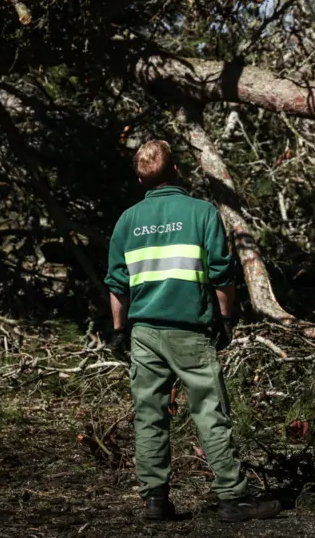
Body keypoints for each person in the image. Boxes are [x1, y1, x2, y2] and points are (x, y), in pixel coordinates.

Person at [105, 139, 281, 523]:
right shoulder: (202, 213)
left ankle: (155, 501)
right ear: (176, 170)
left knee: (149, 417)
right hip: (190, 332)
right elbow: (222, 274)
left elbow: (117, 284)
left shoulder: (127, 221)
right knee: (210, 413)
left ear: (140, 179)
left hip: (144, 333)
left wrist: (119, 330)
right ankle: (233, 498)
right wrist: (226, 319)